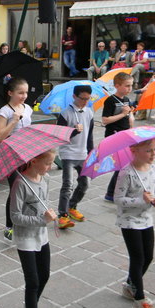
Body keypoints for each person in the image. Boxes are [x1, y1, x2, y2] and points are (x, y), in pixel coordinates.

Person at [11, 149, 58, 308]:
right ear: (34, 161)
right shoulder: (20, 183)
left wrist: (49, 213)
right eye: (47, 163)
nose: (50, 167)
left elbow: (44, 203)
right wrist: (41, 219)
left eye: (51, 163)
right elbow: (15, 216)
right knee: (33, 281)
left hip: (42, 235)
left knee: (45, 274)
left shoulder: (45, 179)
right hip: (26, 238)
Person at [114, 138, 155, 308]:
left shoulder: (154, 169)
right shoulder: (127, 173)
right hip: (130, 221)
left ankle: (130, 286)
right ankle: (139, 302)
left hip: (147, 219)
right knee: (138, 258)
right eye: (149, 150)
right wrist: (140, 201)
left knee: (148, 257)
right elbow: (118, 199)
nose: (153, 154)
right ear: (134, 150)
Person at [0, 77, 33, 240]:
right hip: (11, 154)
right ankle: (9, 225)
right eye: (20, 92)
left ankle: (24, 220)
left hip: (27, 152)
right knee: (15, 189)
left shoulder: (28, 108)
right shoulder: (5, 111)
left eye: (26, 92)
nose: (24, 96)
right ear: (10, 93)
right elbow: (0, 136)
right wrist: (14, 121)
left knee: (28, 188)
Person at [56, 84, 94, 229]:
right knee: (67, 185)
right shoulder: (65, 113)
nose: (85, 102)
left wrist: (91, 153)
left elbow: (90, 135)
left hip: (83, 154)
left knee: (85, 184)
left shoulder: (89, 112)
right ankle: (63, 215)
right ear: (74, 96)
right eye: (82, 98)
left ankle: (72, 206)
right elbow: (60, 136)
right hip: (68, 154)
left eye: (87, 99)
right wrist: (73, 131)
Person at [102, 72, 134, 202]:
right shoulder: (110, 100)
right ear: (117, 85)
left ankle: (114, 192)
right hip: (114, 135)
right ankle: (111, 193)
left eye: (131, 85)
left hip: (125, 134)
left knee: (125, 165)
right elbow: (105, 120)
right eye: (127, 86)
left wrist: (130, 118)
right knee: (123, 165)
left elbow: (128, 117)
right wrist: (123, 114)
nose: (129, 88)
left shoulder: (126, 100)